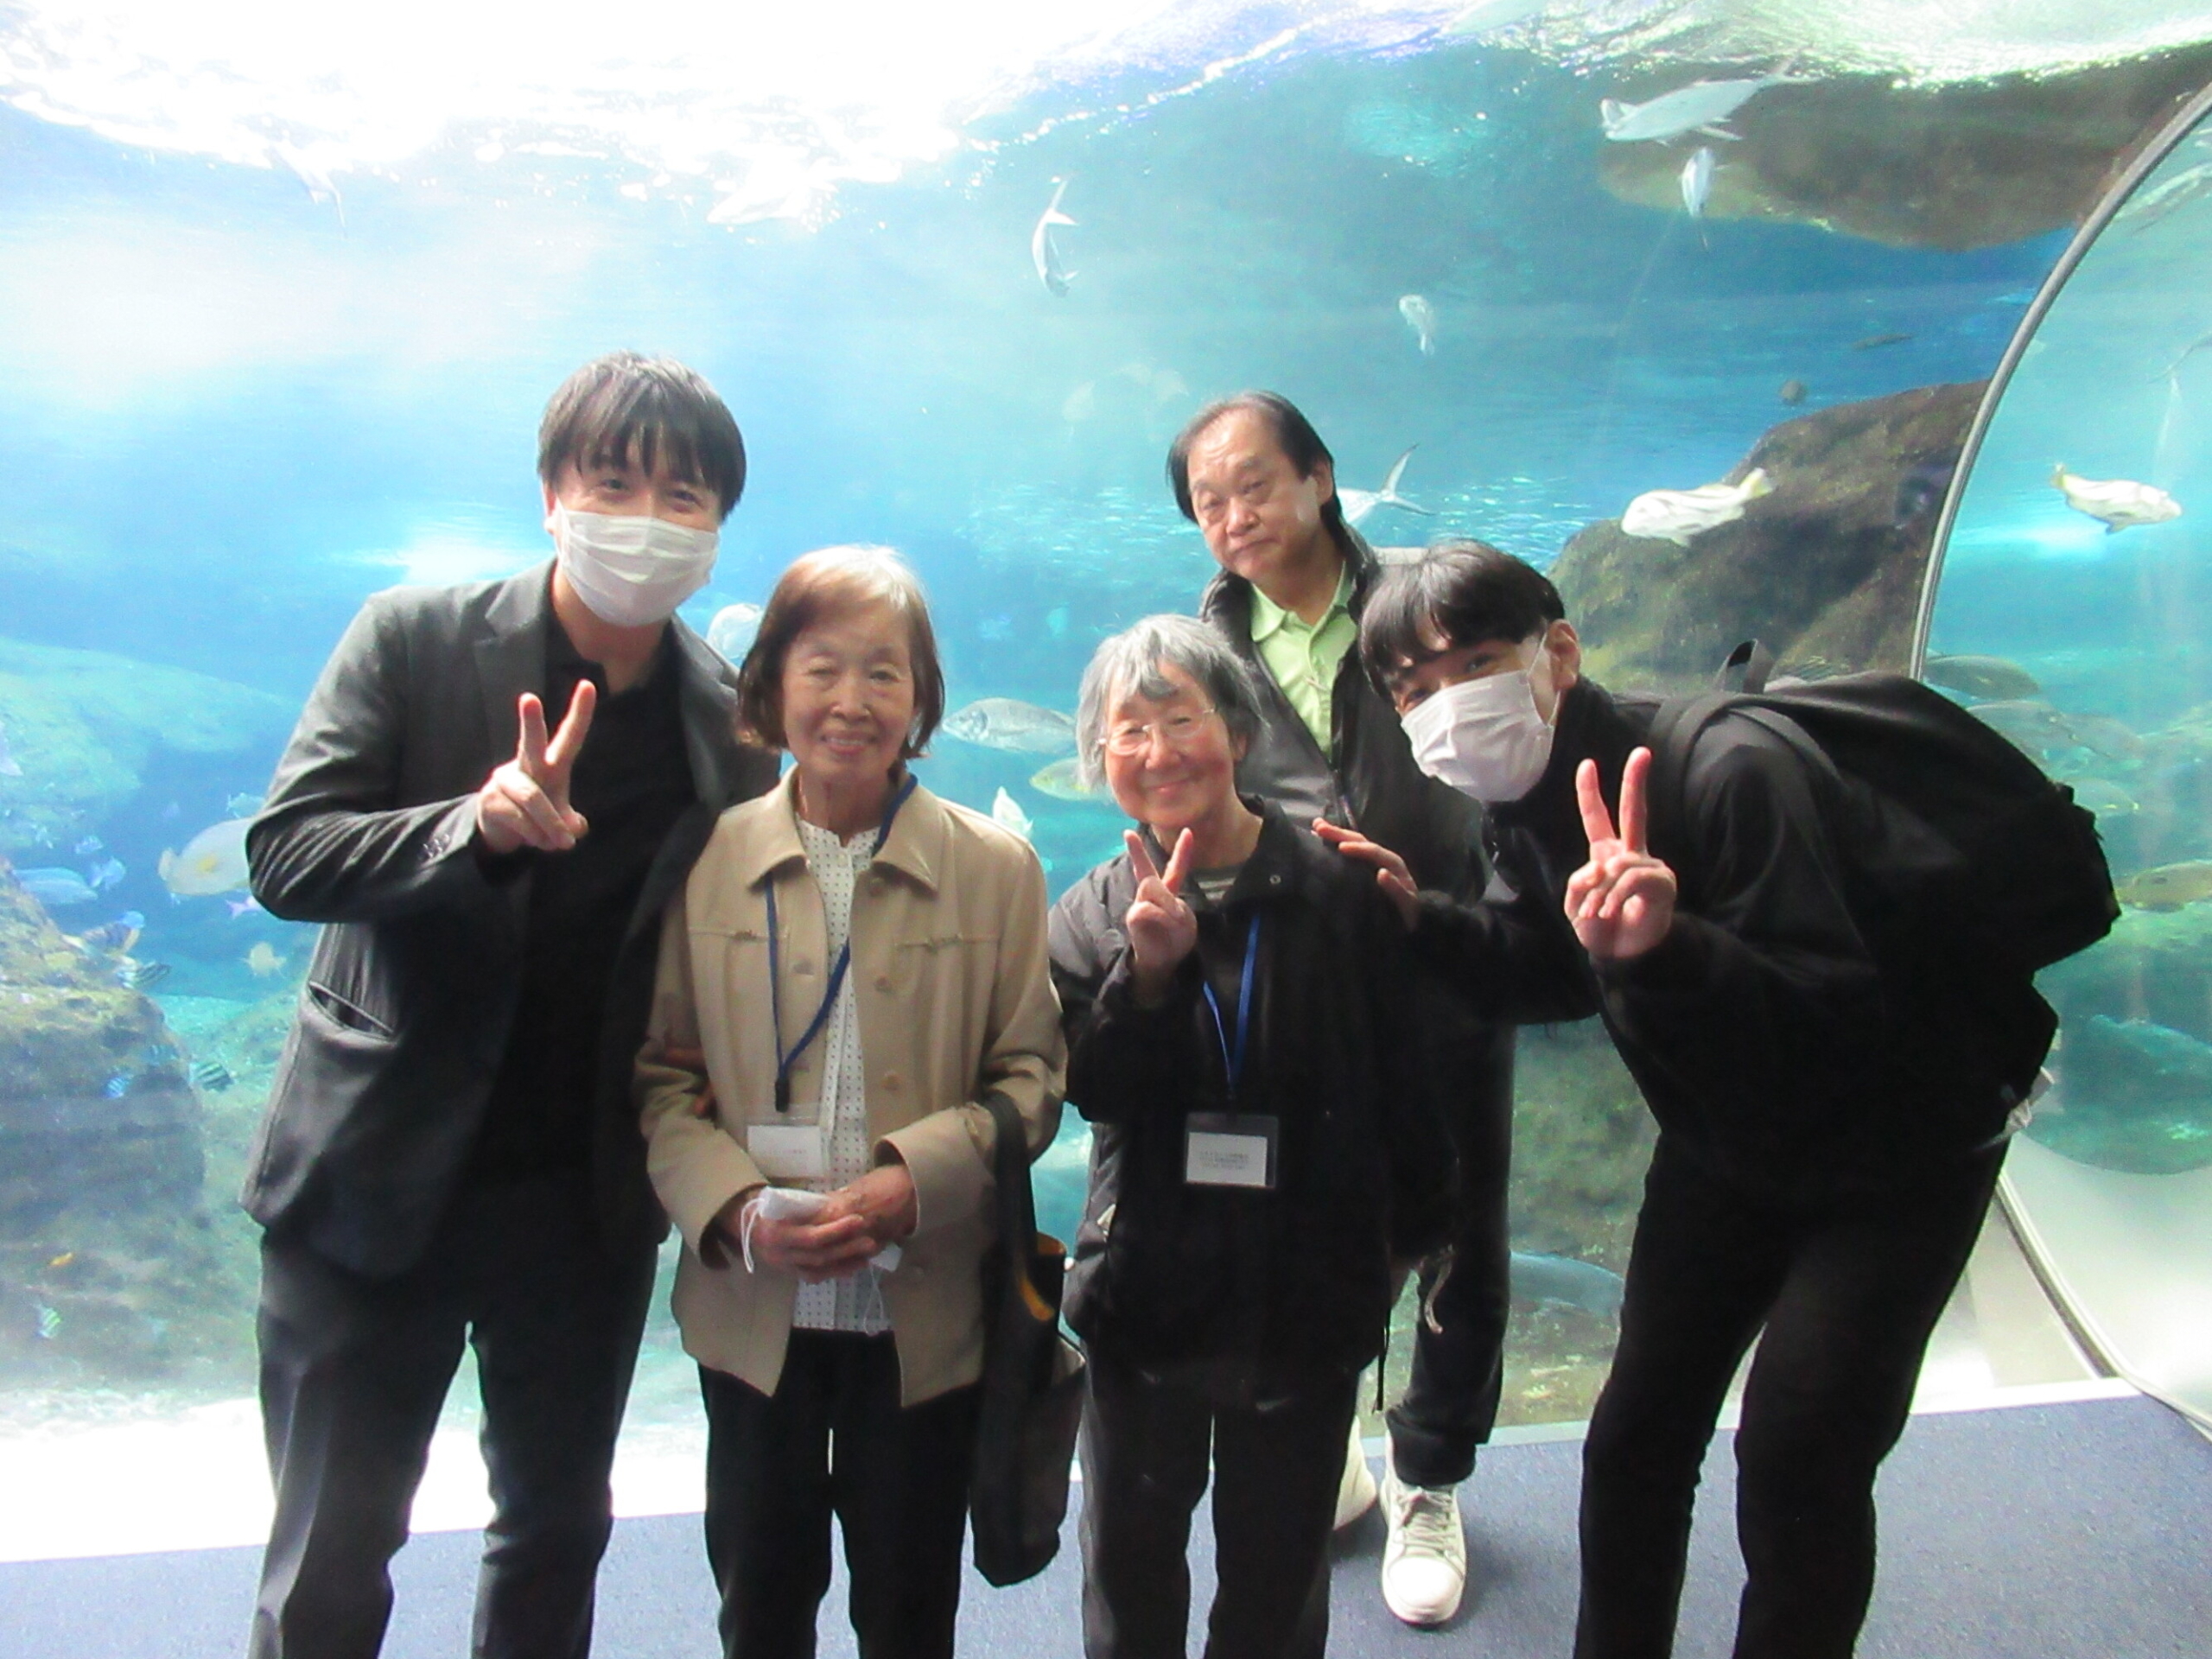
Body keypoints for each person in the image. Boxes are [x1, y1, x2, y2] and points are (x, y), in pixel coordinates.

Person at [1346, 543, 2053, 1659]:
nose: (1446, 708)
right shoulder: (1524, 803)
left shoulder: (1731, 772)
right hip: (1727, 1139)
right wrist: (1417, 921)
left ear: (1558, 651)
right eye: (1413, 692)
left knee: (1799, 1450)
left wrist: (1669, 948)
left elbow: (1840, 1021)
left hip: (1900, 1153)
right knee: (1632, 1441)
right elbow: (1553, 967)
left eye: (1473, 663)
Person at [240, 351, 777, 1658]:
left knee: (552, 1535)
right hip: (374, 1185)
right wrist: (469, 827)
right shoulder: (414, 640)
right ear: (552, 493)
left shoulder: (730, 727)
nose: (646, 520)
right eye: (615, 482)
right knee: (331, 1554)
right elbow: (285, 856)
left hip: (579, 1205)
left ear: (718, 526)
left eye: (683, 495)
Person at [634, 543, 1065, 1659]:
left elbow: (1032, 1080)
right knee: (761, 1600)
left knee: (909, 1607)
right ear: (771, 683)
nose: (852, 701)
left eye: (886, 672)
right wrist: (733, 1207)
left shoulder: (997, 867)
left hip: (920, 1320)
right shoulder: (706, 859)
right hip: (752, 1318)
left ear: (923, 698)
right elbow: (664, 1081)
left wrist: (910, 1183)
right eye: (822, 668)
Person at [1167, 391, 1518, 1625]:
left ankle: (1430, 1475)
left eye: (1253, 484)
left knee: (1463, 1230)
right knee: (1314, 1220)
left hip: (1447, 958)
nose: (1234, 516)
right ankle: (1341, 1447)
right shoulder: (1200, 647)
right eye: (1208, 501)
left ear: (1322, 477)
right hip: (1304, 998)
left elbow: (1520, 732)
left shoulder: (1422, 597)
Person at [1047, 614, 1459, 1659]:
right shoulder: (1088, 916)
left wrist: (1397, 1254)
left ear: (1234, 726)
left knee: (1276, 1583)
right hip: (1145, 1304)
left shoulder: (1342, 890)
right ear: (1100, 762)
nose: (1156, 751)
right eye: (1126, 733)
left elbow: (1410, 1090)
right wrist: (1144, 977)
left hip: (1305, 1303)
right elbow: (1093, 1095)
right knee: (1129, 1576)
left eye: (1179, 717)